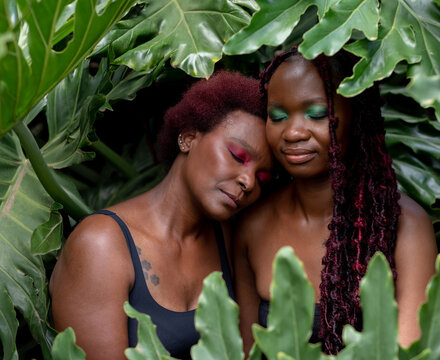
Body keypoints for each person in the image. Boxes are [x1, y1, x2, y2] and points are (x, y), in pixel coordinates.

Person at [49, 71, 273, 360]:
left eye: (262, 178)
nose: (249, 181)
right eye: (237, 155)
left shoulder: (230, 238)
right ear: (188, 138)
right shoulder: (100, 245)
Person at [233, 48, 438, 355]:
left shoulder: (404, 226)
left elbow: (411, 352)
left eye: (316, 114)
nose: (293, 132)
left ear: (355, 116)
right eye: (278, 116)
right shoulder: (253, 226)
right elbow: (245, 352)